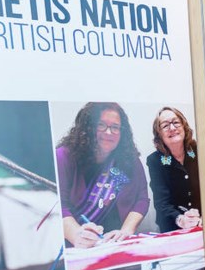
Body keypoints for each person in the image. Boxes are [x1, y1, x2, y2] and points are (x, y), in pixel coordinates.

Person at [57, 102, 150, 248]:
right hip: (73, 246)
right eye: (101, 125)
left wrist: (126, 231)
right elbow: (59, 205)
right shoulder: (65, 156)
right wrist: (76, 236)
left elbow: (141, 198)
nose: (108, 132)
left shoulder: (128, 160)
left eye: (115, 127)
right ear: (87, 127)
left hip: (113, 244)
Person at [145, 107, 202, 233]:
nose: (172, 128)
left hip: (204, 223)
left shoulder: (199, 150)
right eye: (165, 125)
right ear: (159, 134)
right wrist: (180, 219)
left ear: (184, 126)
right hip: (173, 227)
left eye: (176, 122)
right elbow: (162, 204)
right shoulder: (155, 161)